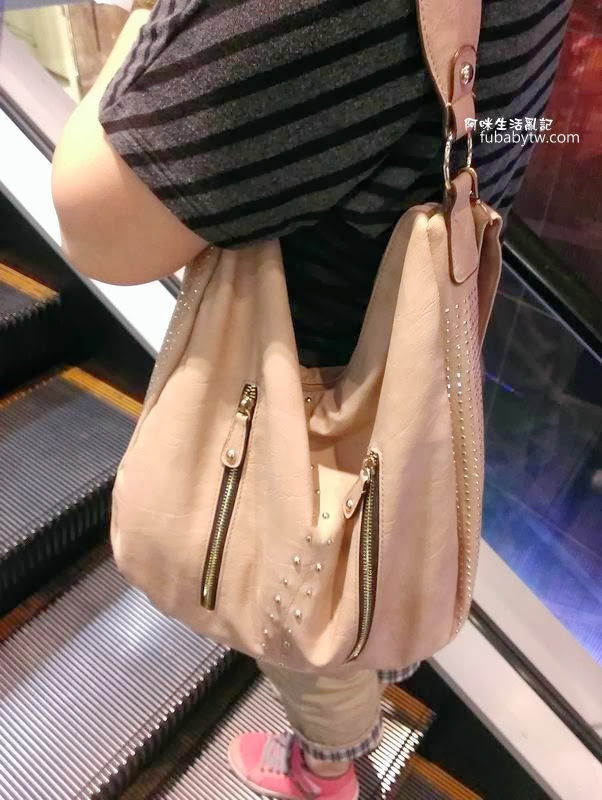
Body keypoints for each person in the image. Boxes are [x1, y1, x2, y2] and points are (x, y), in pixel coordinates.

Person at [51, 1, 571, 797]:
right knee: (358, 579)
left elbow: (97, 228)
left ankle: (327, 769)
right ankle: (362, 690)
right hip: (410, 375)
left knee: (301, 620)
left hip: (306, 406)